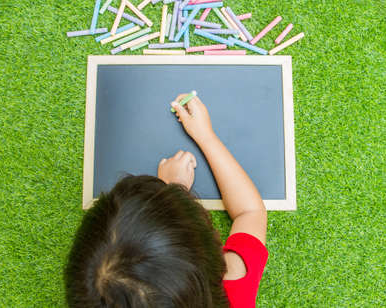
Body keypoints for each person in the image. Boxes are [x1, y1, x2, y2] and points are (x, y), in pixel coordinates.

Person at [65, 93, 268, 308]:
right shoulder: (235, 293)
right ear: (215, 267)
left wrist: (169, 198)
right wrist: (205, 138)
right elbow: (250, 211)